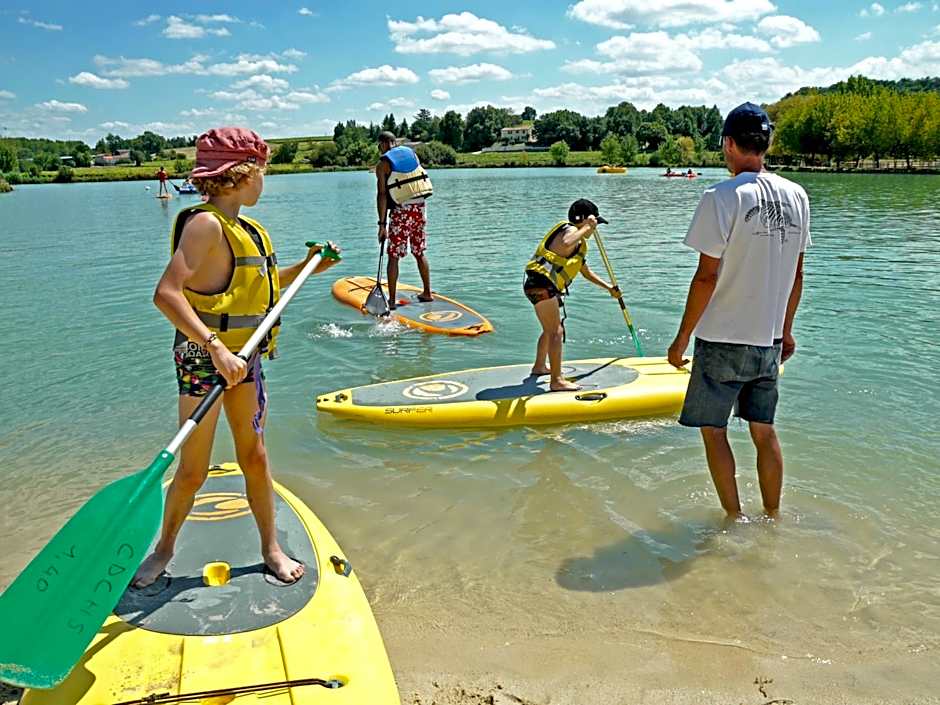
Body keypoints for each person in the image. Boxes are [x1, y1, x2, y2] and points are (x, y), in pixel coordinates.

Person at [132, 127, 341, 588]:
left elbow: (256, 288)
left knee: (256, 457)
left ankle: (270, 547)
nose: (265, 180)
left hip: (243, 359)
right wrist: (215, 348)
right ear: (241, 175)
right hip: (203, 357)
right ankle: (163, 550)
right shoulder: (205, 224)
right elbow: (166, 294)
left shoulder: (247, 229)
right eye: (262, 171)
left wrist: (310, 267)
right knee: (193, 469)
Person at [667, 102, 810, 520]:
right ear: (766, 144)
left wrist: (680, 341)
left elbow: (706, 278)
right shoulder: (797, 196)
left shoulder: (720, 197)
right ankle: (772, 518)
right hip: (768, 340)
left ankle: (734, 518)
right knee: (764, 432)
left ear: (728, 144)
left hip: (723, 339)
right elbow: (797, 274)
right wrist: (787, 329)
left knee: (714, 432)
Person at [525, 199, 620, 392]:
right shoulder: (570, 233)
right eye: (594, 223)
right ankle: (556, 381)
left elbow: (586, 272)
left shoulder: (578, 244)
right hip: (542, 285)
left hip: (539, 285)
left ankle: (539, 366)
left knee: (550, 329)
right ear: (584, 219)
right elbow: (568, 241)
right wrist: (587, 228)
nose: (595, 229)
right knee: (555, 332)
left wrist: (609, 288)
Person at [375, 131, 433, 309]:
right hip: (419, 208)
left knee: (393, 256)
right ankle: (427, 293)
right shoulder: (411, 153)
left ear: (383, 144)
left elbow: (382, 195)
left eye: (379, 145)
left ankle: (391, 301)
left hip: (401, 212)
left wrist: (382, 225)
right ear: (395, 142)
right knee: (419, 251)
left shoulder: (383, 163)